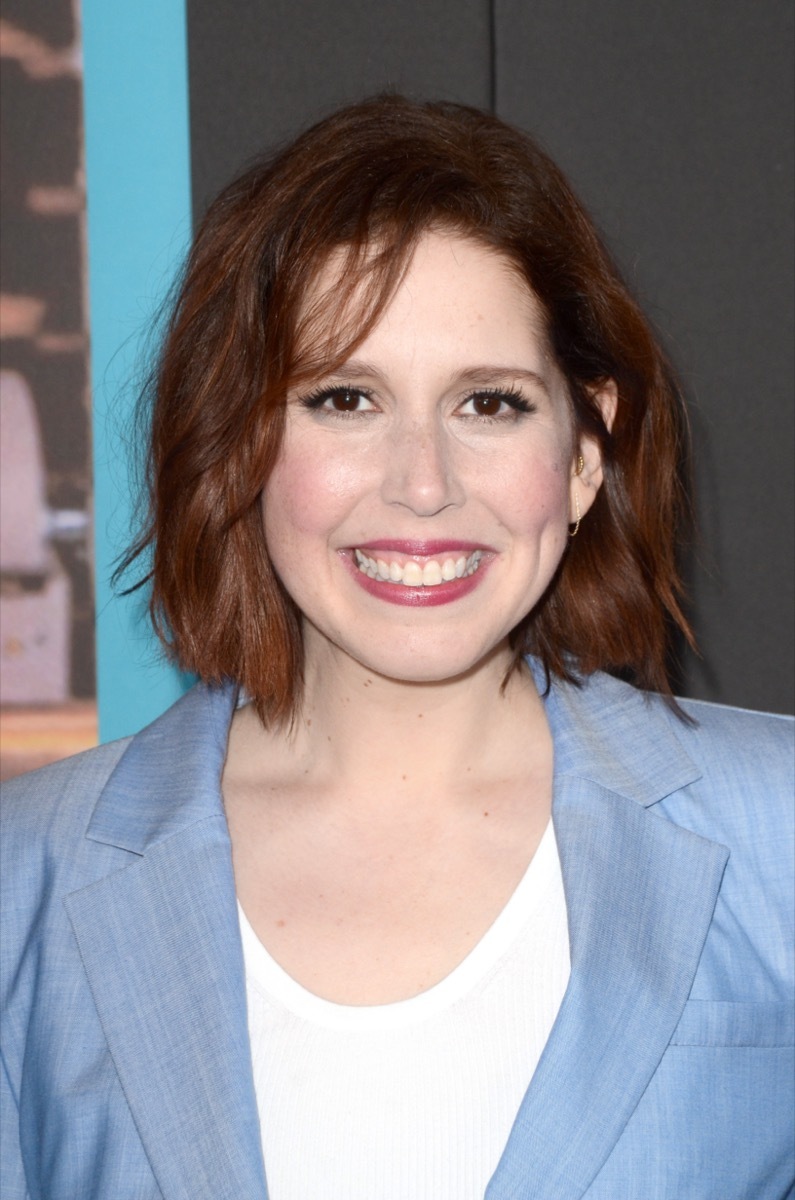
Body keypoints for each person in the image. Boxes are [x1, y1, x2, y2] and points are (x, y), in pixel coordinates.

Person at [1, 95, 792, 1200]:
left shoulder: (777, 839)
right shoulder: (26, 877)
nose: (423, 485)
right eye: (344, 398)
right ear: (243, 444)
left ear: (584, 451)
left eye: (490, 405)